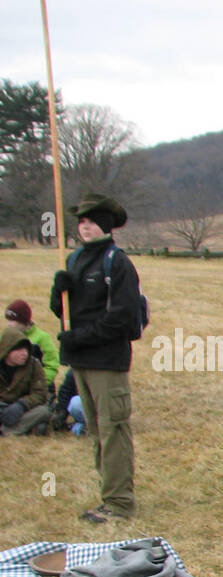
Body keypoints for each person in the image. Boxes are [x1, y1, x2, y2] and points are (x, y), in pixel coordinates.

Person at [48, 193, 140, 522]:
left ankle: (119, 504)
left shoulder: (117, 262)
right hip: (80, 360)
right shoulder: (74, 260)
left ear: (105, 223)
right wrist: (57, 293)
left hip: (106, 359)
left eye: (89, 220)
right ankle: (108, 497)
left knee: (113, 429)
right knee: (96, 431)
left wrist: (82, 337)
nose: (83, 226)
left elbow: (123, 317)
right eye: (80, 222)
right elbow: (65, 313)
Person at [0, 325, 51, 436]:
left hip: (24, 409)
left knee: (43, 412)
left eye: (26, 349)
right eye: (19, 349)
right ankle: (24, 429)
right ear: (8, 350)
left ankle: (5, 430)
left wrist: (21, 405)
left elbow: (40, 394)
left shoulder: (34, 365)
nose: (25, 353)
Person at [4, 300, 57, 391]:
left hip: (37, 390)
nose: (9, 324)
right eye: (8, 320)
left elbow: (51, 366)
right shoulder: (6, 337)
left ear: (24, 321)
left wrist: (37, 384)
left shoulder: (43, 338)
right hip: (10, 390)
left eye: (13, 321)